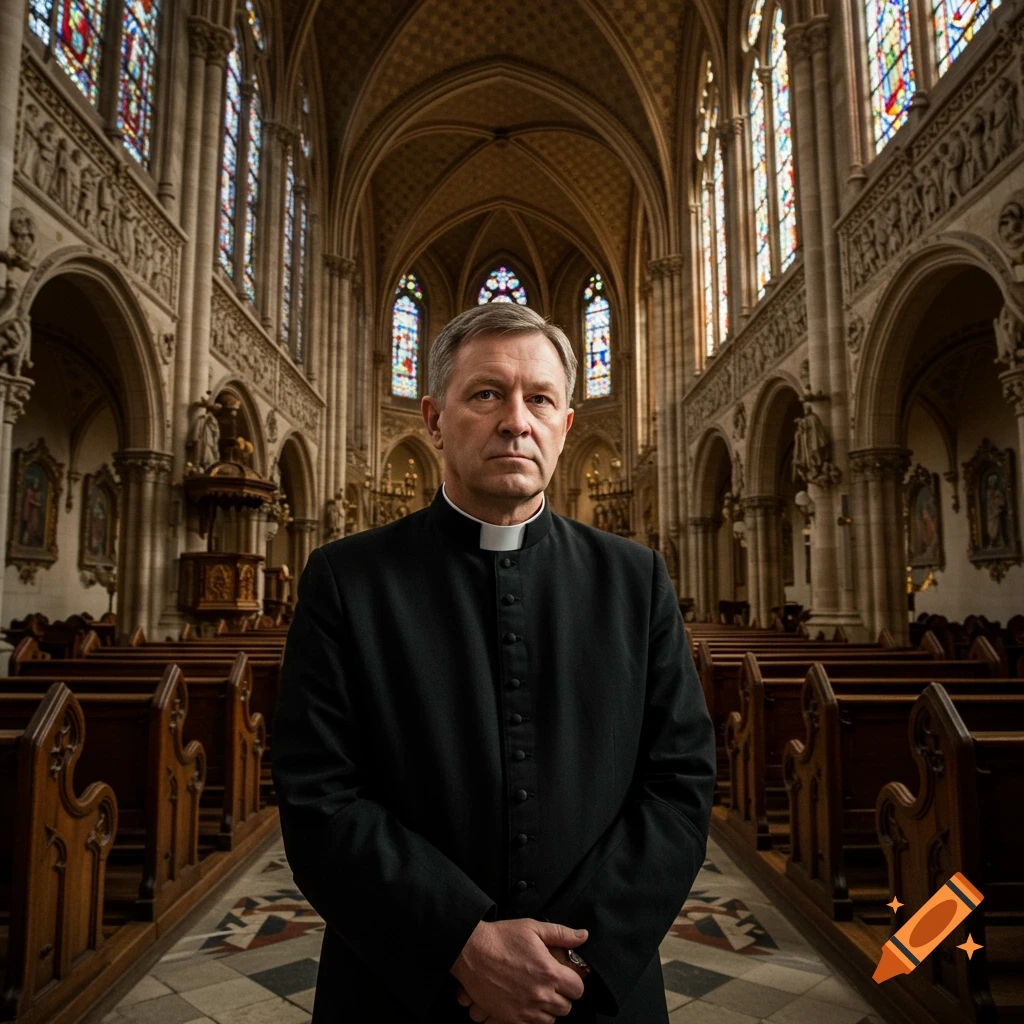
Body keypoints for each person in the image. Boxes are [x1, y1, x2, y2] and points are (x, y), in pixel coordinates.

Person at [272, 302, 716, 1023]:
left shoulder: (635, 581)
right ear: (434, 419)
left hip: (593, 992)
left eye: (540, 398)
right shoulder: (348, 581)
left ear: (566, 427)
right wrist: (460, 942)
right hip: (403, 988)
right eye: (486, 394)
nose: (516, 419)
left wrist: (571, 962)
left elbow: (680, 783)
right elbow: (320, 795)